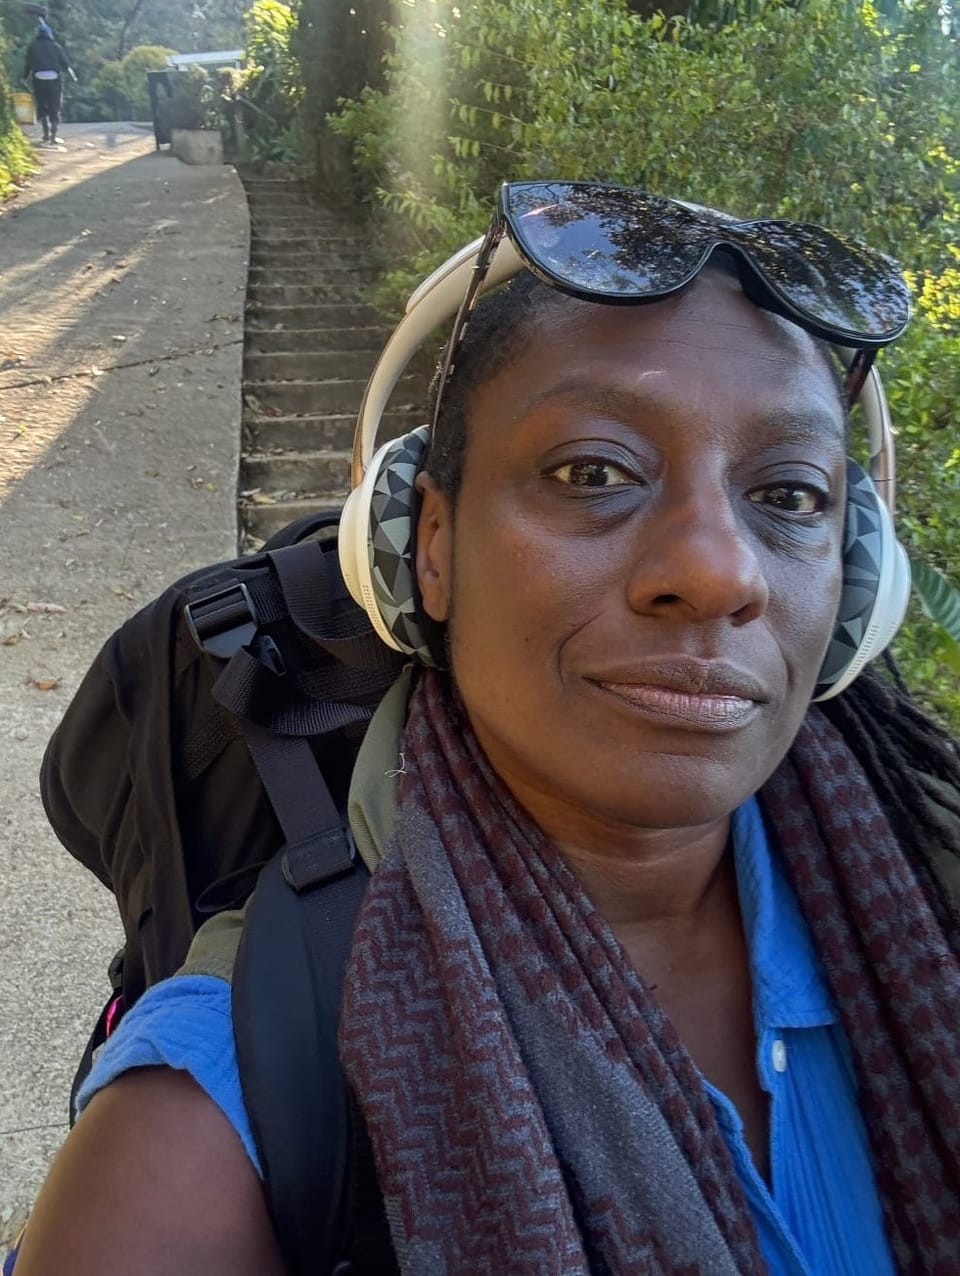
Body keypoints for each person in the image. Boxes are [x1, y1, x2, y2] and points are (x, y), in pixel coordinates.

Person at [10, 183, 960, 1275]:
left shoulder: (927, 889)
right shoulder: (199, 1138)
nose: (716, 572)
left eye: (789, 496)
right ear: (427, 548)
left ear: (857, 587)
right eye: (593, 472)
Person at [21, 20, 73, 147]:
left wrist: (24, 77)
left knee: (42, 105)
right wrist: (73, 76)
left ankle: (45, 134)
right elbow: (65, 64)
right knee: (54, 106)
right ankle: (53, 137)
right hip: (54, 78)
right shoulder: (56, 46)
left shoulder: (32, 46)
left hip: (38, 78)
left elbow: (28, 64)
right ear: (49, 34)